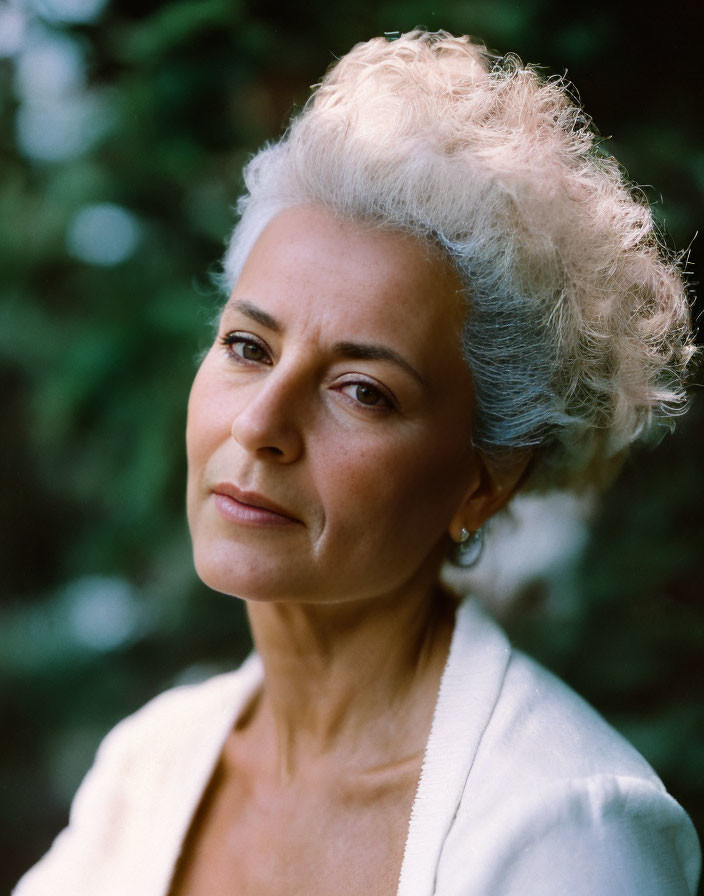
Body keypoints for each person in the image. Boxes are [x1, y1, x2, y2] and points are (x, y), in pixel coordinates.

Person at [14, 29, 701, 896]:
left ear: (486, 478)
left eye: (361, 391)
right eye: (247, 346)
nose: (261, 423)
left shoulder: (563, 835)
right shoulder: (149, 767)